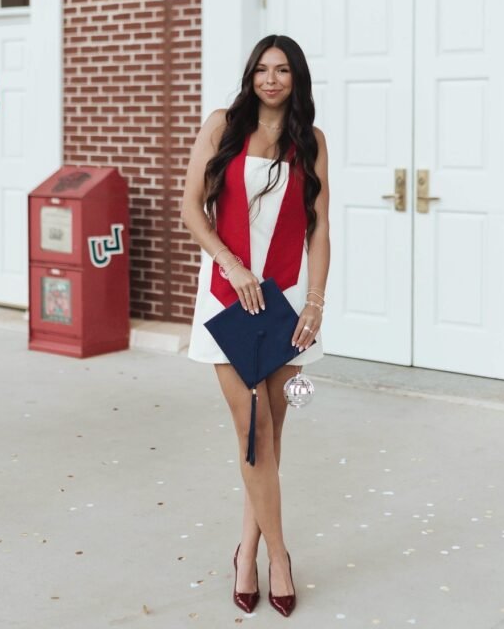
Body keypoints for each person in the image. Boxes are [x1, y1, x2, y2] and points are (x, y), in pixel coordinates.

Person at [181, 34, 330, 617]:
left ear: (297, 78)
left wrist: (316, 300)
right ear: (251, 76)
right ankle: (280, 558)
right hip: (227, 296)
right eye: (262, 69)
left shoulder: (310, 141)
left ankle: (245, 549)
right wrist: (231, 263)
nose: (271, 79)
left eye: (283, 70)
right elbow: (192, 205)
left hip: (287, 299)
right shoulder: (223, 125)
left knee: (269, 436)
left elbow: (319, 227)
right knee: (253, 428)